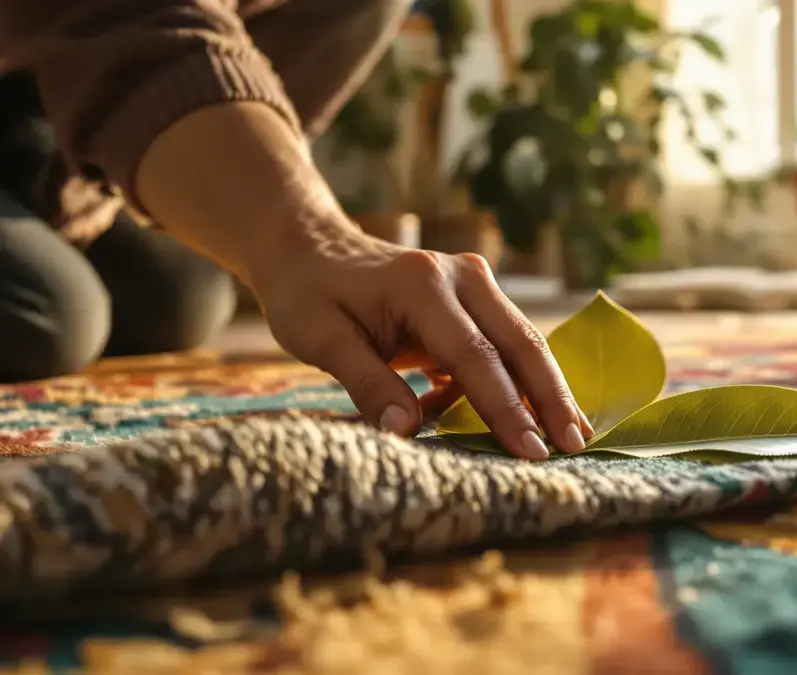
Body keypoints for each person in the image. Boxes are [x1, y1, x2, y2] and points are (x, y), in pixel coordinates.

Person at [0, 0, 593, 460]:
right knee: (55, 314)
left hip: (42, 114)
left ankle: (52, 201)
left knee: (181, 296)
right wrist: (305, 236)